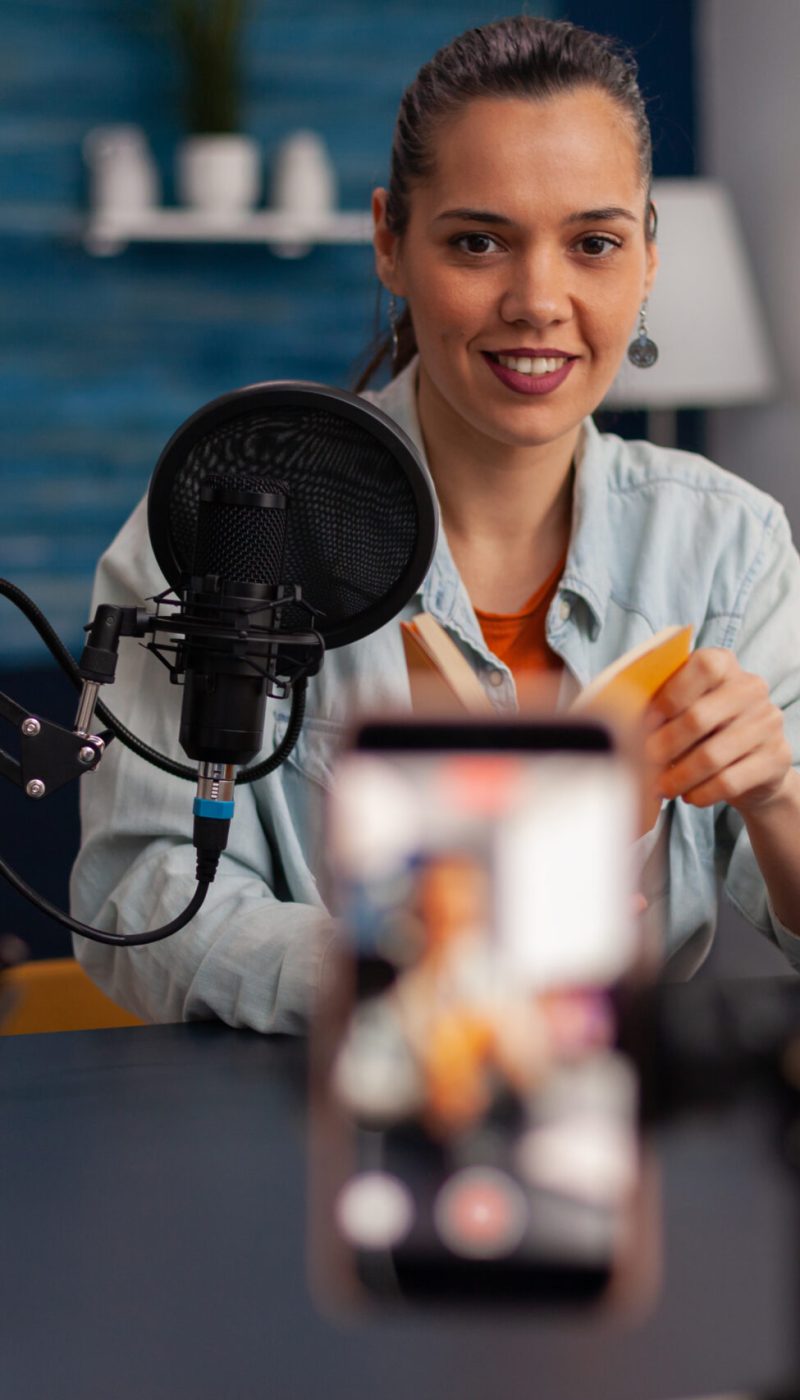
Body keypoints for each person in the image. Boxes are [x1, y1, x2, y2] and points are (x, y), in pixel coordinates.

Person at [70, 15, 800, 1031]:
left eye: (591, 243)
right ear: (388, 241)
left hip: (607, 1135)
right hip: (295, 1134)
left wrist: (772, 796)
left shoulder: (729, 544)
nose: (538, 300)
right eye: (477, 241)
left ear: (646, 258)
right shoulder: (225, 516)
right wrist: (393, 961)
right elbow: (136, 895)